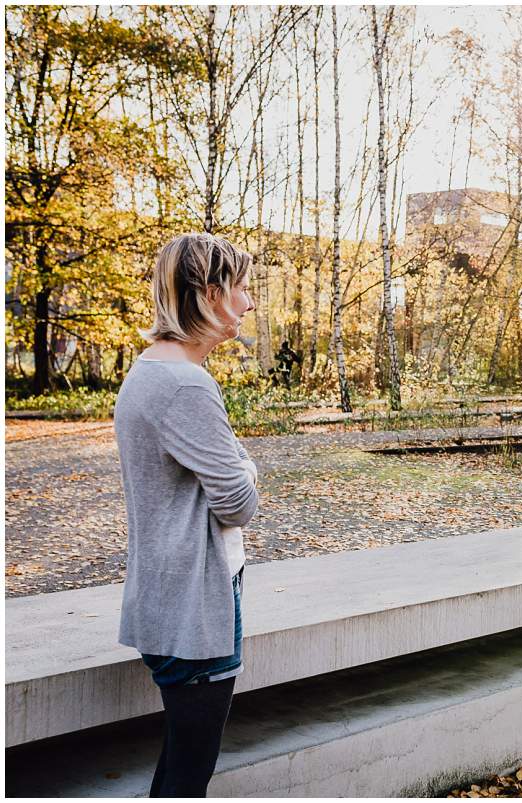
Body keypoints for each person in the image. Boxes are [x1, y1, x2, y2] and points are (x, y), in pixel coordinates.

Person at [114, 232, 260, 797]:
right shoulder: (184, 387)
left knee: (179, 767)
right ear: (207, 291)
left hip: (169, 597)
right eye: (241, 288)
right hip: (194, 611)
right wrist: (248, 467)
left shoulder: (149, 372)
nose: (248, 303)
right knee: (187, 778)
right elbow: (239, 503)